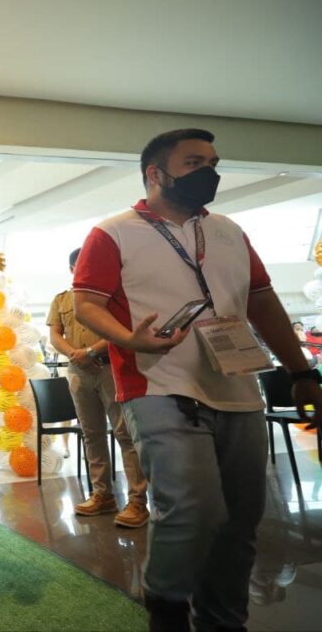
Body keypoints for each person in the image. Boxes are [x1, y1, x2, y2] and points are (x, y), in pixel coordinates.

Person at [73, 128, 322, 632]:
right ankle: (165, 605)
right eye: (193, 162)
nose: (209, 172)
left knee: (241, 517)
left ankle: (223, 620)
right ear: (155, 173)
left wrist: (300, 370)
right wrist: (129, 338)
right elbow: (86, 304)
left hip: (237, 387)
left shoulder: (229, 231)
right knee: (192, 508)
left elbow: (262, 302)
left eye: (212, 162)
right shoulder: (113, 232)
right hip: (156, 385)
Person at [47, 248, 148, 527]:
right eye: (81, 266)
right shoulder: (62, 299)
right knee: (91, 434)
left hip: (111, 368)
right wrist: (74, 354)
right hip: (78, 372)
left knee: (125, 433)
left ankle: (138, 501)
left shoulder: (112, 297)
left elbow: (122, 332)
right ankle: (102, 495)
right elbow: (54, 334)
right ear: (72, 269)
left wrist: (90, 351)